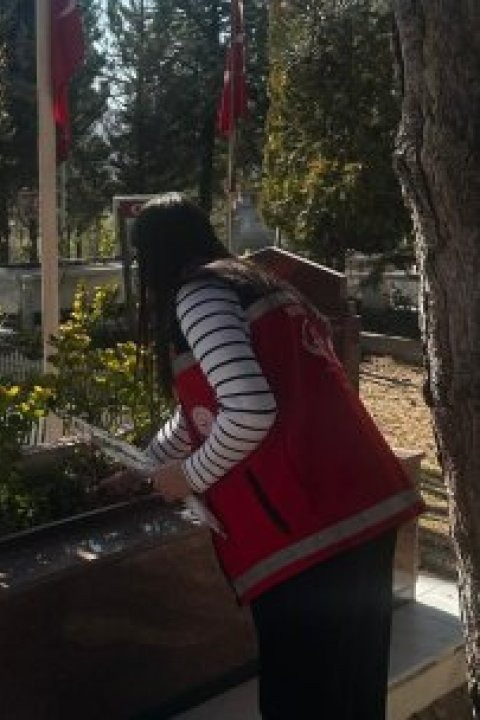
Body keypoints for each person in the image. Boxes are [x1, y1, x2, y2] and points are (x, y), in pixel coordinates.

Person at [104, 193, 422, 719]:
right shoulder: (257, 284)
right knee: (351, 689)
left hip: (305, 525)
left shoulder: (199, 296)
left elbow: (249, 411)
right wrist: (142, 467)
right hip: (358, 506)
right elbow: (201, 410)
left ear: (152, 256)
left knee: (303, 696)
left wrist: (185, 476)